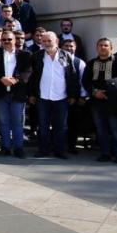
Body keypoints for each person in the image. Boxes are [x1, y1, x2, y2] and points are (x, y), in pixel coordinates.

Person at [29, 31, 80, 160]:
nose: (46, 43)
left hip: (61, 97)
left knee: (61, 126)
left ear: (56, 41)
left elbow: (73, 77)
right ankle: (43, 149)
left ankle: (60, 150)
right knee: (43, 125)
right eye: (44, 41)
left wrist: (73, 95)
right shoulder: (37, 56)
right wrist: (32, 94)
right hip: (43, 97)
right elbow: (32, 77)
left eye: (49, 41)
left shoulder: (66, 56)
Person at [0, 29, 32, 158]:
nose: (6, 42)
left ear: (15, 40)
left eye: (9, 39)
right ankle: (5, 147)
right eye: (4, 40)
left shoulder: (25, 55)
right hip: (0, 93)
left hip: (17, 93)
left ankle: (18, 148)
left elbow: (27, 72)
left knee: (17, 121)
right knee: (3, 121)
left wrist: (15, 80)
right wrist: (1, 78)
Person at [83, 38, 117, 164]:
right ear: (97, 48)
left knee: (116, 128)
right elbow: (86, 81)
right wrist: (95, 92)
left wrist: (111, 92)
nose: (103, 48)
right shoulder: (91, 63)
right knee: (101, 129)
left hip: (114, 103)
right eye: (100, 45)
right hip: (96, 102)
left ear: (111, 48)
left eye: (106, 45)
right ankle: (105, 153)